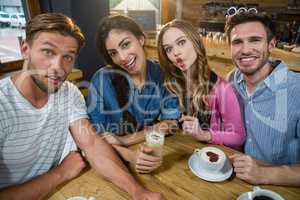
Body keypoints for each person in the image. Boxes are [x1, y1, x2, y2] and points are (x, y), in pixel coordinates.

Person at [0, 13, 164, 200]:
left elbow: (93, 144)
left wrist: (138, 191)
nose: (58, 67)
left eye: (68, 57)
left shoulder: (69, 92)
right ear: (25, 49)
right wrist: (60, 173)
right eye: (48, 52)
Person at [87, 15, 180, 174]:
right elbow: (97, 141)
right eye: (113, 53)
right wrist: (131, 156)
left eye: (126, 44)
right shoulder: (101, 81)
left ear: (141, 39)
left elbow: (171, 123)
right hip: (111, 161)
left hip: (148, 153)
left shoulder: (162, 73)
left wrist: (125, 140)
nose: (122, 58)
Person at [225, 12, 300, 186]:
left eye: (255, 40)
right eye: (237, 42)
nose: (245, 50)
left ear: (271, 45)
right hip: (234, 182)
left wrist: (262, 174)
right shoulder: (231, 80)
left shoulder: (296, 90)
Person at [157, 19, 245, 150]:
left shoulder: (222, 89)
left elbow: (239, 137)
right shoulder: (171, 84)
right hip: (181, 152)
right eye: (169, 49)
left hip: (210, 160)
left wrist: (204, 134)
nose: (175, 53)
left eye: (181, 42)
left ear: (195, 42)